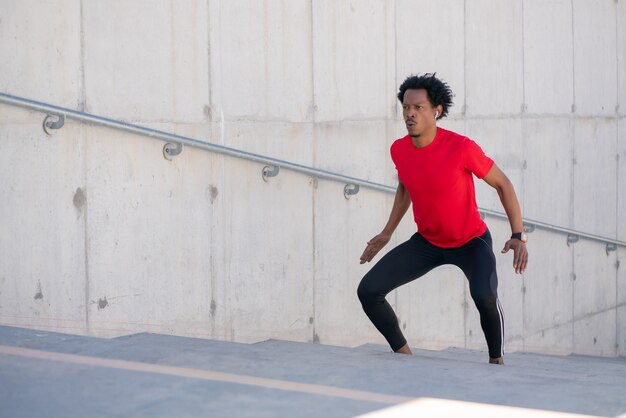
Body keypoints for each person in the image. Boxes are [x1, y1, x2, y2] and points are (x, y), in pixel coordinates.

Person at [357, 73, 528, 365]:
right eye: (406, 107)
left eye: (418, 107)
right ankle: (405, 359)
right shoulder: (399, 149)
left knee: (484, 295)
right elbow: (405, 187)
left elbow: (503, 184)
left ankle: (497, 362)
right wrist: (387, 232)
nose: (410, 113)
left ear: (436, 110)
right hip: (427, 243)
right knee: (369, 291)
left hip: (470, 241)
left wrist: (518, 234)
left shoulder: (461, 148)